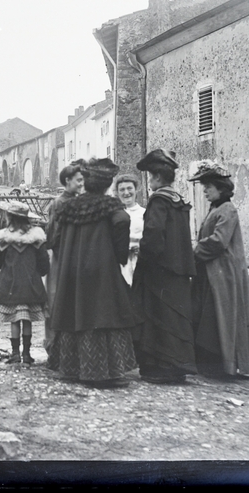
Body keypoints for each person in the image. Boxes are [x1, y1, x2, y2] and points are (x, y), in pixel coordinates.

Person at [47, 158, 140, 389]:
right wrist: (119, 255)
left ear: (86, 183)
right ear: (107, 185)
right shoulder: (110, 207)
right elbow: (123, 221)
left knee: (74, 311)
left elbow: (54, 238)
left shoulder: (69, 206)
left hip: (72, 270)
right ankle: (103, 371)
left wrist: (68, 258)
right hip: (101, 270)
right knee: (103, 313)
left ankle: (71, 368)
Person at [189, 161, 249, 378]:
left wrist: (194, 252)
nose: (205, 191)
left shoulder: (228, 209)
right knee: (210, 316)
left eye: (208, 187)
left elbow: (219, 241)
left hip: (223, 273)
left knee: (221, 317)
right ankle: (210, 363)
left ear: (221, 189)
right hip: (212, 271)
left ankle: (221, 365)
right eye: (204, 187)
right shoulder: (216, 208)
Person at [131, 149, 197, 384]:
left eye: (150, 177)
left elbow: (154, 236)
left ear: (157, 177)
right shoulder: (179, 200)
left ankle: (160, 368)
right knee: (175, 318)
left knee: (157, 317)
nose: (149, 181)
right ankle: (177, 366)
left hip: (158, 270)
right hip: (178, 270)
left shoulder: (159, 200)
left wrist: (144, 260)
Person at [0, 200, 50, 364]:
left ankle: (15, 354)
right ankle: (27, 354)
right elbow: (44, 263)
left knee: (14, 319)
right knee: (27, 318)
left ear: (9, 217)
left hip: (10, 283)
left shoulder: (3, 238)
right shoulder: (36, 238)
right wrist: (39, 273)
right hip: (31, 284)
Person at [43, 162, 84, 354]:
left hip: (75, 259)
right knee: (55, 299)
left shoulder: (80, 201)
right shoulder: (58, 203)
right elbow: (52, 236)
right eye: (78, 180)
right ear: (67, 181)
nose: (81, 184)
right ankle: (54, 347)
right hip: (61, 259)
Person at [114, 174, 146, 286]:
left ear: (136, 190)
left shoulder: (144, 213)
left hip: (141, 261)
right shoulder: (114, 215)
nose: (126, 193)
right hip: (121, 264)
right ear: (117, 193)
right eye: (122, 189)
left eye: (129, 188)